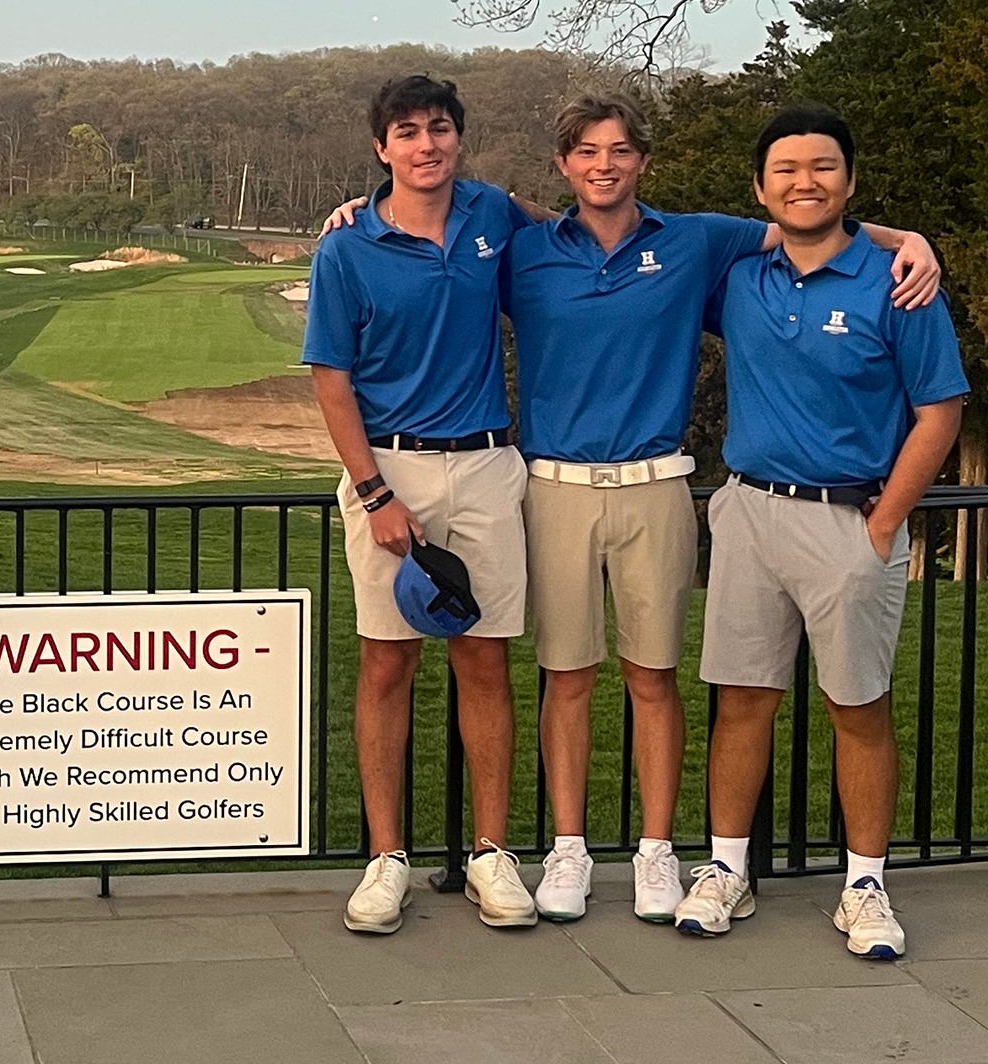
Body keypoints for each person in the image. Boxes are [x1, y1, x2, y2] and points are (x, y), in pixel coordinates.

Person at [323, 94, 938, 925]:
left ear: (643, 159)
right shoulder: (524, 244)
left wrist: (908, 240)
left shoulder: (692, 240)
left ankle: (656, 852)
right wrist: (358, 212)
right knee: (564, 676)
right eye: (586, 151)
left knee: (653, 676)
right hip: (552, 486)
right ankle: (564, 850)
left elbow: (812, 225)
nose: (603, 165)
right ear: (563, 164)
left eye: (619, 150)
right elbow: (431, 227)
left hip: (654, 482)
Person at [675, 107, 966, 959]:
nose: (806, 182)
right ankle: (727, 868)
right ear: (760, 189)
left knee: (859, 706)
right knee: (742, 699)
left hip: (851, 520)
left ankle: (864, 884)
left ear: (851, 179)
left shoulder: (898, 282)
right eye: (788, 170)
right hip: (749, 513)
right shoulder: (739, 277)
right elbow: (614, 223)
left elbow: (939, 411)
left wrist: (884, 523)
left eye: (824, 166)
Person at [303, 75, 538, 934]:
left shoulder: (492, 214)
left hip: (485, 464)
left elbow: (575, 226)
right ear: (382, 148)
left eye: (439, 128)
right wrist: (374, 493)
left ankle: (490, 853)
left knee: (484, 662)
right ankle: (386, 857)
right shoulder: (345, 248)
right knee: (386, 663)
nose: (425, 144)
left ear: (458, 138)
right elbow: (332, 381)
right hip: (389, 470)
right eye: (406, 131)